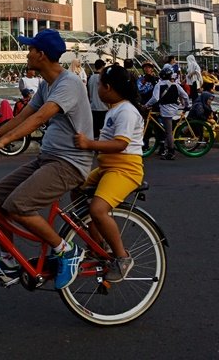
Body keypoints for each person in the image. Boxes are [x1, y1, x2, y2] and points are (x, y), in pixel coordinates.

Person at [0, 29, 93, 290]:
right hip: (48, 158)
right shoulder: (46, 84)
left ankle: (66, 250)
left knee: (18, 205)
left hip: (69, 164)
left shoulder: (69, 84)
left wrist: (2, 143)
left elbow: (39, 118)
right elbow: (21, 117)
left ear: (41, 55)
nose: (27, 53)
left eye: (30, 49)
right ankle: (8, 261)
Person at [73, 65, 143, 282]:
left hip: (125, 168)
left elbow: (121, 144)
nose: (96, 89)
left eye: (99, 84)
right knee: (77, 190)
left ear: (109, 88)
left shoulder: (126, 111)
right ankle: (97, 245)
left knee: (98, 209)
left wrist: (88, 143)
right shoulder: (114, 109)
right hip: (107, 167)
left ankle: (122, 257)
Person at [145, 67, 190, 161]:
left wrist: (146, 105)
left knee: (168, 132)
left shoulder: (159, 85)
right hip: (174, 109)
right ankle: (166, 146)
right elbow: (185, 96)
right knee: (168, 129)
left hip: (166, 110)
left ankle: (171, 152)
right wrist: (187, 106)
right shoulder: (176, 85)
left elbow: (155, 98)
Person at [87, 59, 108, 138]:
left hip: (93, 107)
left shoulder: (90, 78)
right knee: (103, 131)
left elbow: (88, 93)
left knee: (94, 131)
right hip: (103, 107)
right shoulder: (102, 78)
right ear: (102, 66)